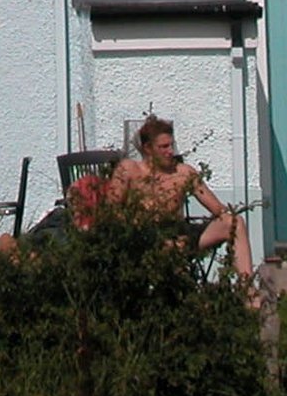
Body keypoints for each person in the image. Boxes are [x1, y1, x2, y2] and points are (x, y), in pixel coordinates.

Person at [108, 114, 254, 281]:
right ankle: (179, 296)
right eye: (163, 147)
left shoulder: (183, 172)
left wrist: (226, 214)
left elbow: (217, 209)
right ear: (148, 148)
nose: (170, 152)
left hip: (180, 235)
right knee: (170, 247)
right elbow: (112, 211)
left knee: (234, 223)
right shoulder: (129, 170)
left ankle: (249, 293)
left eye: (171, 145)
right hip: (142, 239)